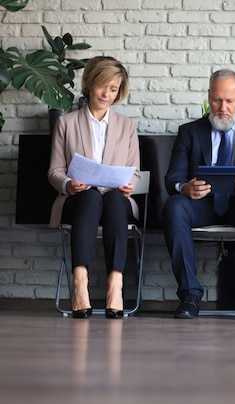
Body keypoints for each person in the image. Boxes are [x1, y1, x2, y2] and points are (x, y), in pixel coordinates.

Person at [163, 69, 235, 320]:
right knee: (174, 206)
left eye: (229, 101)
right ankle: (189, 295)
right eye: (217, 100)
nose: (222, 107)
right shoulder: (189, 132)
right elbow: (172, 177)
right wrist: (184, 188)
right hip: (201, 205)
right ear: (208, 96)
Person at [48, 56, 140, 319]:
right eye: (103, 86)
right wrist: (68, 184)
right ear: (89, 84)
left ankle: (115, 285)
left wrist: (128, 185)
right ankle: (79, 283)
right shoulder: (66, 123)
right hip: (78, 200)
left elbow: (134, 170)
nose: (107, 94)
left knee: (112, 200)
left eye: (114, 89)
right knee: (90, 198)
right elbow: (55, 170)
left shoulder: (127, 126)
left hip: (115, 199)